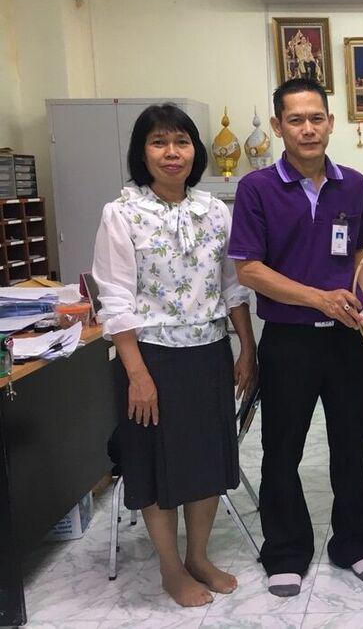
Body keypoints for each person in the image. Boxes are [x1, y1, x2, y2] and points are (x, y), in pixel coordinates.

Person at [92, 103, 256, 607]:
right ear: (142, 153)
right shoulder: (122, 213)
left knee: (206, 462)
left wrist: (246, 347)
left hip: (209, 354)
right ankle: (170, 568)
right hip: (150, 359)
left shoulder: (215, 211)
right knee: (157, 466)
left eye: (181, 142)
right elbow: (115, 299)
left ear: (195, 150)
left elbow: (232, 287)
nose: (172, 152)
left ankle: (198, 557)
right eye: (159, 142)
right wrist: (137, 374)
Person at [228, 77, 363, 597]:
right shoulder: (256, 189)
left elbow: (357, 252)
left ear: (330, 123)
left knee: (350, 445)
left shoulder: (354, 184)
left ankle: (353, 543)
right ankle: (286, 551)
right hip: (289, 341)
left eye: (317, 118)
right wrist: (319, 298)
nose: (308, 129)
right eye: (295, 120)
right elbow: (249, 270)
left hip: (346, 339)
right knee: (282, 449)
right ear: (278, 126)